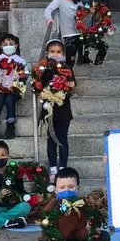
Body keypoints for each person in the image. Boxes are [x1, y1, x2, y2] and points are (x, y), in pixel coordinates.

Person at [39, 167, 114, 241]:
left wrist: (89, 231)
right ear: (55, 190)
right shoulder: (51, 207)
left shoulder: (84, 205)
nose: (66, 190)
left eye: (71, 187)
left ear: (77, 188)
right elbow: (48, 232)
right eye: (62, 187)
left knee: (104, 237)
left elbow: (90, 225)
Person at [33, 40, 76, 178]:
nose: (55, 54)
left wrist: (63, 89)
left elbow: (72, 86)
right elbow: (36, 86)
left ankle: (63, 168)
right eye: (52, 51)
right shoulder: (42, 68)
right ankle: (53, 169)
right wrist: (45, 93)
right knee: (51, 138)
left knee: (62, 138)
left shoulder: (66, 68)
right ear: (47, 53)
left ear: (62, 53)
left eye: (58, 51)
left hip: (63, 107)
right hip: (49, 108)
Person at [0, 34, 27, 140]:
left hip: (14, 89)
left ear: (16, 45)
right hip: (0, 89)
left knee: (9, 98)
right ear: (1, 46)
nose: (8, 46)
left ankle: (10, 126)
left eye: (11, 44)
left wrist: (18, 84)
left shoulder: (20, 61)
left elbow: (24, 75)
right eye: (5, 44)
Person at [44, 0, 82, 68]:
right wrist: (49, 18)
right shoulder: (59, 0)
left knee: (74, 57)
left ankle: (69, 72)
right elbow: (48, 9)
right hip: (67, 34)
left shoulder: (77, 1)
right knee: (68, 57)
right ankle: (66, 74)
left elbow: (84, 13)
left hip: (79, 32)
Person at [75, 0, 113, 66]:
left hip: (92, 34)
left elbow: (104, 22)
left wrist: (106, 29)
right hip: (82, 33)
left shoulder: (99, 13)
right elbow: (80, 23)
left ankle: (91, 60)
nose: (93, 8)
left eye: (95, 6)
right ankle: (80, 58)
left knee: (102, 46)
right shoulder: (83, 12)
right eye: (92, 6)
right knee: (81, 40)